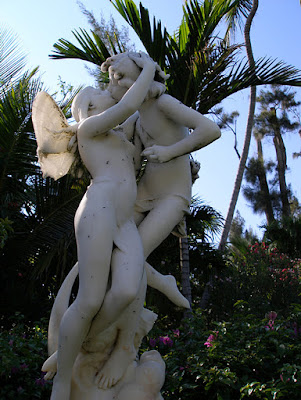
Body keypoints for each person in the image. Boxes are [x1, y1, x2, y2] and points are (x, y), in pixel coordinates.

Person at [37, 53, 158, 400]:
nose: (110, 93)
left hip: (122, 220)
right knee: (89, 299)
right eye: (96, 99)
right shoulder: (91, 129)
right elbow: (128, 104)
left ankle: (69, 349)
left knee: (126, 291)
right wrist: (147, 68)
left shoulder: (121, 134)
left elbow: (138, 116)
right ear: (84, 108)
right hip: (99, 209)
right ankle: (62, 381)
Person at [95, 52, 222, 318]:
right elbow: (127, 160)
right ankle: (142, 298)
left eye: (119, 78)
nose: (113, 86)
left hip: (172, 197)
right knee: (109, 250)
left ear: (140, 80)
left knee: (131, 255)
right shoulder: (136, 119)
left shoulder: (165, 103)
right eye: (111, 79)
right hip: (142, 194)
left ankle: (159, 288)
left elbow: (210, 130)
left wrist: (170, 152)